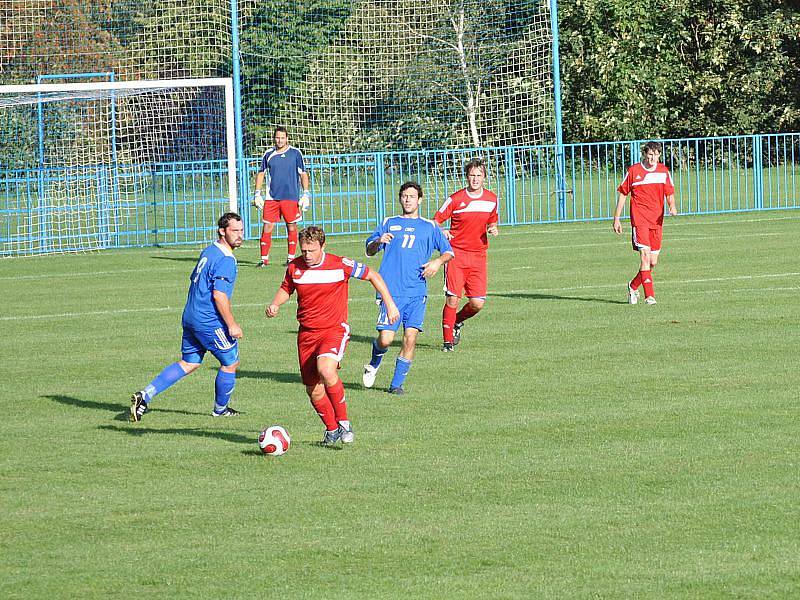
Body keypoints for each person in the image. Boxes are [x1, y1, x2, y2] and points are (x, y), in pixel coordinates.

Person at [265, 226, 399, 446]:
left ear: (323, 246)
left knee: (326, 369)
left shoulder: (340, 265)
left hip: (334, 329)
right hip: (307, 334)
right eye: (304, 250)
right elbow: (286, 289)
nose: (307, 255)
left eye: (312, 250)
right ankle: (331, 429)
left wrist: (390, 304)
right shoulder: (294, 267)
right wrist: (275, 304)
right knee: (313, 390)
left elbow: (373, 275)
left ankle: (344, 423)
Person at [130, 212, 244, 421]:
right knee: (230, 362)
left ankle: (144, 396)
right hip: (208, 320)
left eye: (241, 230)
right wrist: (232, 324)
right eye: (234, 231)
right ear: (222, 231)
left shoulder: (209, 251)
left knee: (190, 362)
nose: (239, 235)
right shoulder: (226, 259)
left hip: (191, 315)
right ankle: (220, 410)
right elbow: (219, 295)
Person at [362, 181, 454, 394]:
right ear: (400, 199)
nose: (407, 200)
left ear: (419, 200)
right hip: (390, 292)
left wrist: (436, 263)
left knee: (410, 338)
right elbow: (369, 249)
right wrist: (378, 241)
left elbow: (449, 252)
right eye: (404, 196)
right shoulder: (389, 222)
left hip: (416, 292)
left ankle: (396, 385)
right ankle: (374, 363)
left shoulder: (429, 227)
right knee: (385, 339)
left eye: (412, 196)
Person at [434, 157, 499, 352]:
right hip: (456, 255)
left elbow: (492, 221)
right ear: (467, 177)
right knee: (453, 298)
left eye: (479, 175)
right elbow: (434, 222)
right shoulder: (455, 199)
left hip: (479, 256)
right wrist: (442, 231)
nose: (475, 179)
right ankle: (447, 343)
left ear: (484, 177)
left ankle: (457, 322)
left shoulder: (491, 199)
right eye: (472, 175)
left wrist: (493, 228)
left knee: (477, 303)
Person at [613, 141, 678, 305]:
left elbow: (669, 193)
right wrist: (617, 218)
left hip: (657, 221)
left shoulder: (663, 172)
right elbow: (623, 194)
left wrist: (672, 206)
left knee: (653, 262)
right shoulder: (634, 171)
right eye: (650, 154)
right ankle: (650, 296)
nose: (653, 158)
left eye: (656, 155)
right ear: (644, 154)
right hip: (640, 219)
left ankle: (633, 285)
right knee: (645, 255)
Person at [252, 126, 311, 267]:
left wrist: (306, 193)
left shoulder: (296, 153)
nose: (280, 140)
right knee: (267, 227)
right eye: (277, 137)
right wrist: (257, 193)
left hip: (290, 197)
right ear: (274, 138)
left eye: (282, 138)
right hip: (272, 197)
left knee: (291, 227)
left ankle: (290, 258)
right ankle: (264, 260)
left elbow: (303, 173)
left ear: (287, 138)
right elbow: (261, 173)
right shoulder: (268, 154)